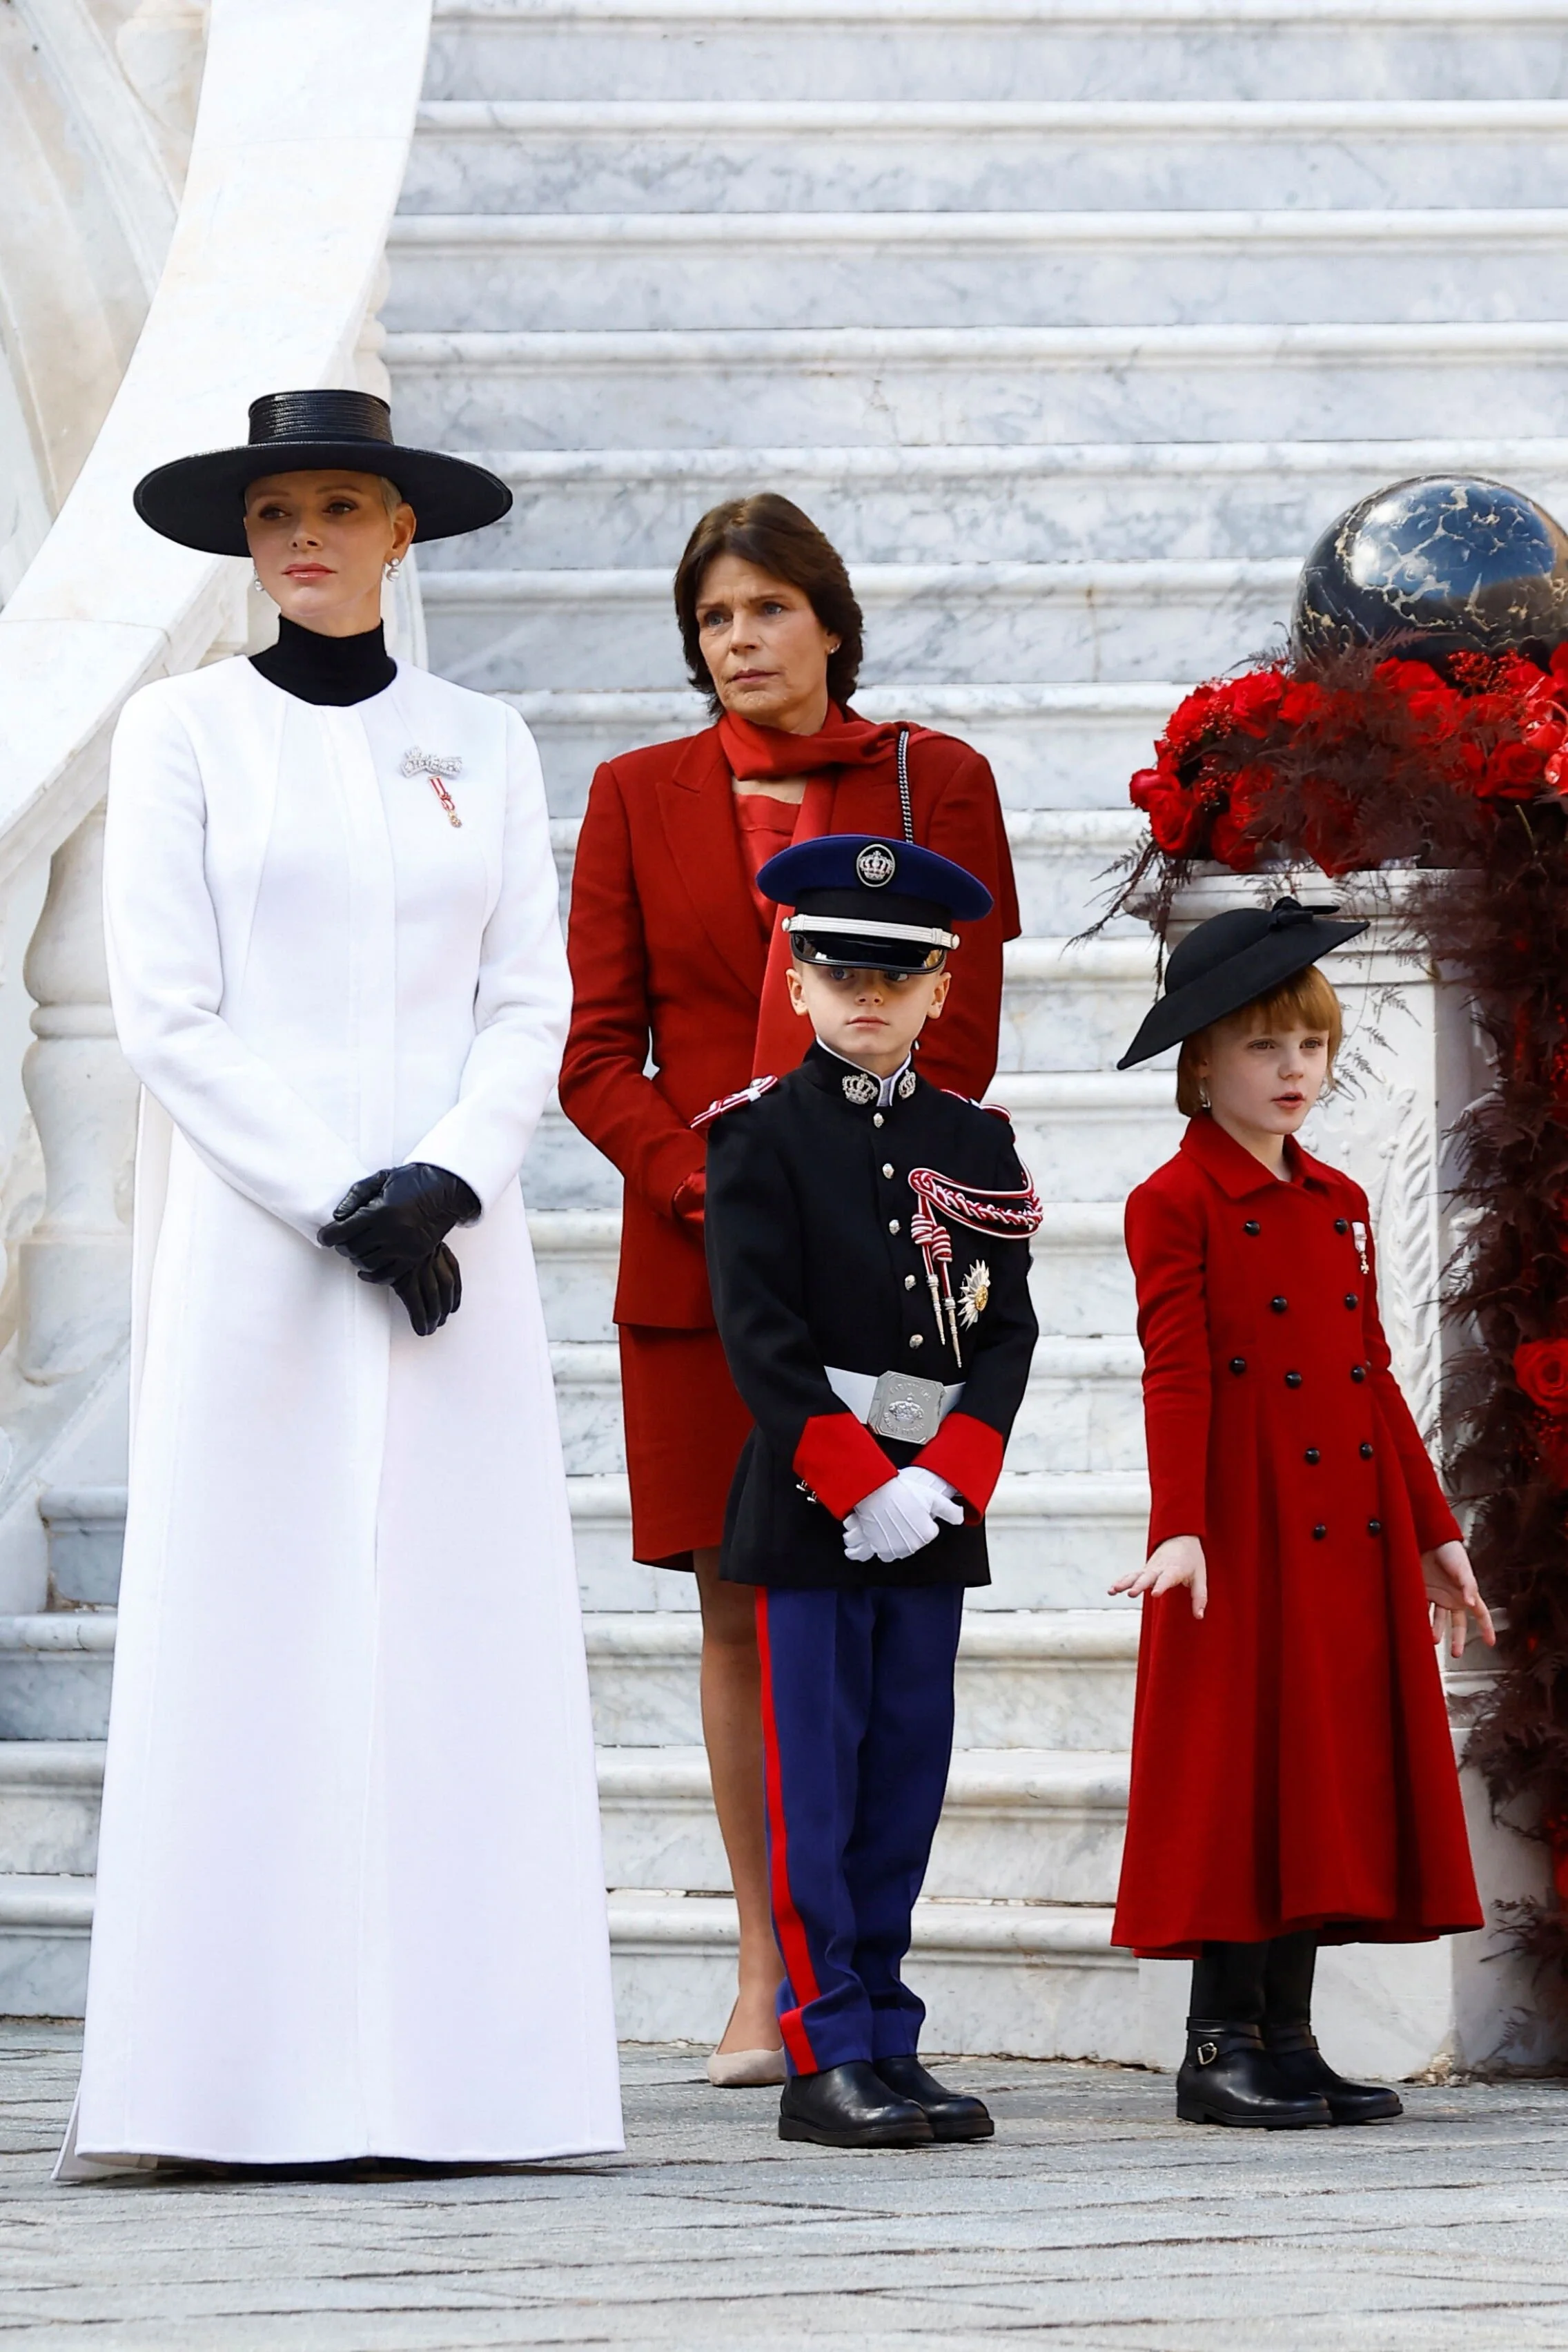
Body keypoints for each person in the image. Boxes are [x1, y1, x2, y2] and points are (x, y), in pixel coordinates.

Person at [56, 389, 621, 2177]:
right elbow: (167, 1008)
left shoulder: (486, 735)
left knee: (460, 1633)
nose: (307, 533)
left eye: (344, 504)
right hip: (257, 1240)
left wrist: (447, 1176)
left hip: (451, 1253)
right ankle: (224, 2086)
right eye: (280, 507)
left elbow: (528, 994)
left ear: (402, 532)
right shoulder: (183, 731)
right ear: (249, 538)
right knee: (252, 1626)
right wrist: (337, 1196)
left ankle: (479, 2081)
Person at [560, 492, 1019, 2083]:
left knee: (875, 1622)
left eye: (765, 608)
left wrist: (839, 1209)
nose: (738, 640)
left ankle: (859, 1976)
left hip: (890, 1271)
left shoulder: (933, 779)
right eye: (711, 618)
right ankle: (767, 1968)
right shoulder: (634, 794)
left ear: (830, 618)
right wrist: (718, 1191)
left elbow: (955, 1035)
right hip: (698, 1266)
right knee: (740, 1608)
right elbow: (592, 1055)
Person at [1111, 897, 1493, 2130]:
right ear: (1202, 1061)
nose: (1293, 1071)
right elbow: (1173, 1368)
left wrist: (1436, 1533)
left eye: (1313, 1047)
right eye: (1265, 1045)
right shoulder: (1176, 1201)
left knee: (1323, 1773)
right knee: (1244, 1771)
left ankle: (1290, 2034)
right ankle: (1217, 2043)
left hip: (1352, 1525)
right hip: (1243, 1533)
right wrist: (1180, 1524)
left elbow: (1373, 1374)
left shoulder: (1338, 1199)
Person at [700, 834, 1039, 2147]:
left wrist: (951, 1474)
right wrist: (855, 1479)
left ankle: (887, 2035)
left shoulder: (975, 1139)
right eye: (840, 968)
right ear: (795, 982)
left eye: (898, 976)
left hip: (934, 1507)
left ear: (940, 992)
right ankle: (823, 2044)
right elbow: (760, 1335)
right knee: (818, 1784)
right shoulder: (758, 1139)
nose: (868, 995)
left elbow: (1004, 1329)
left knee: (905, 1769)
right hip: (813, 1500)